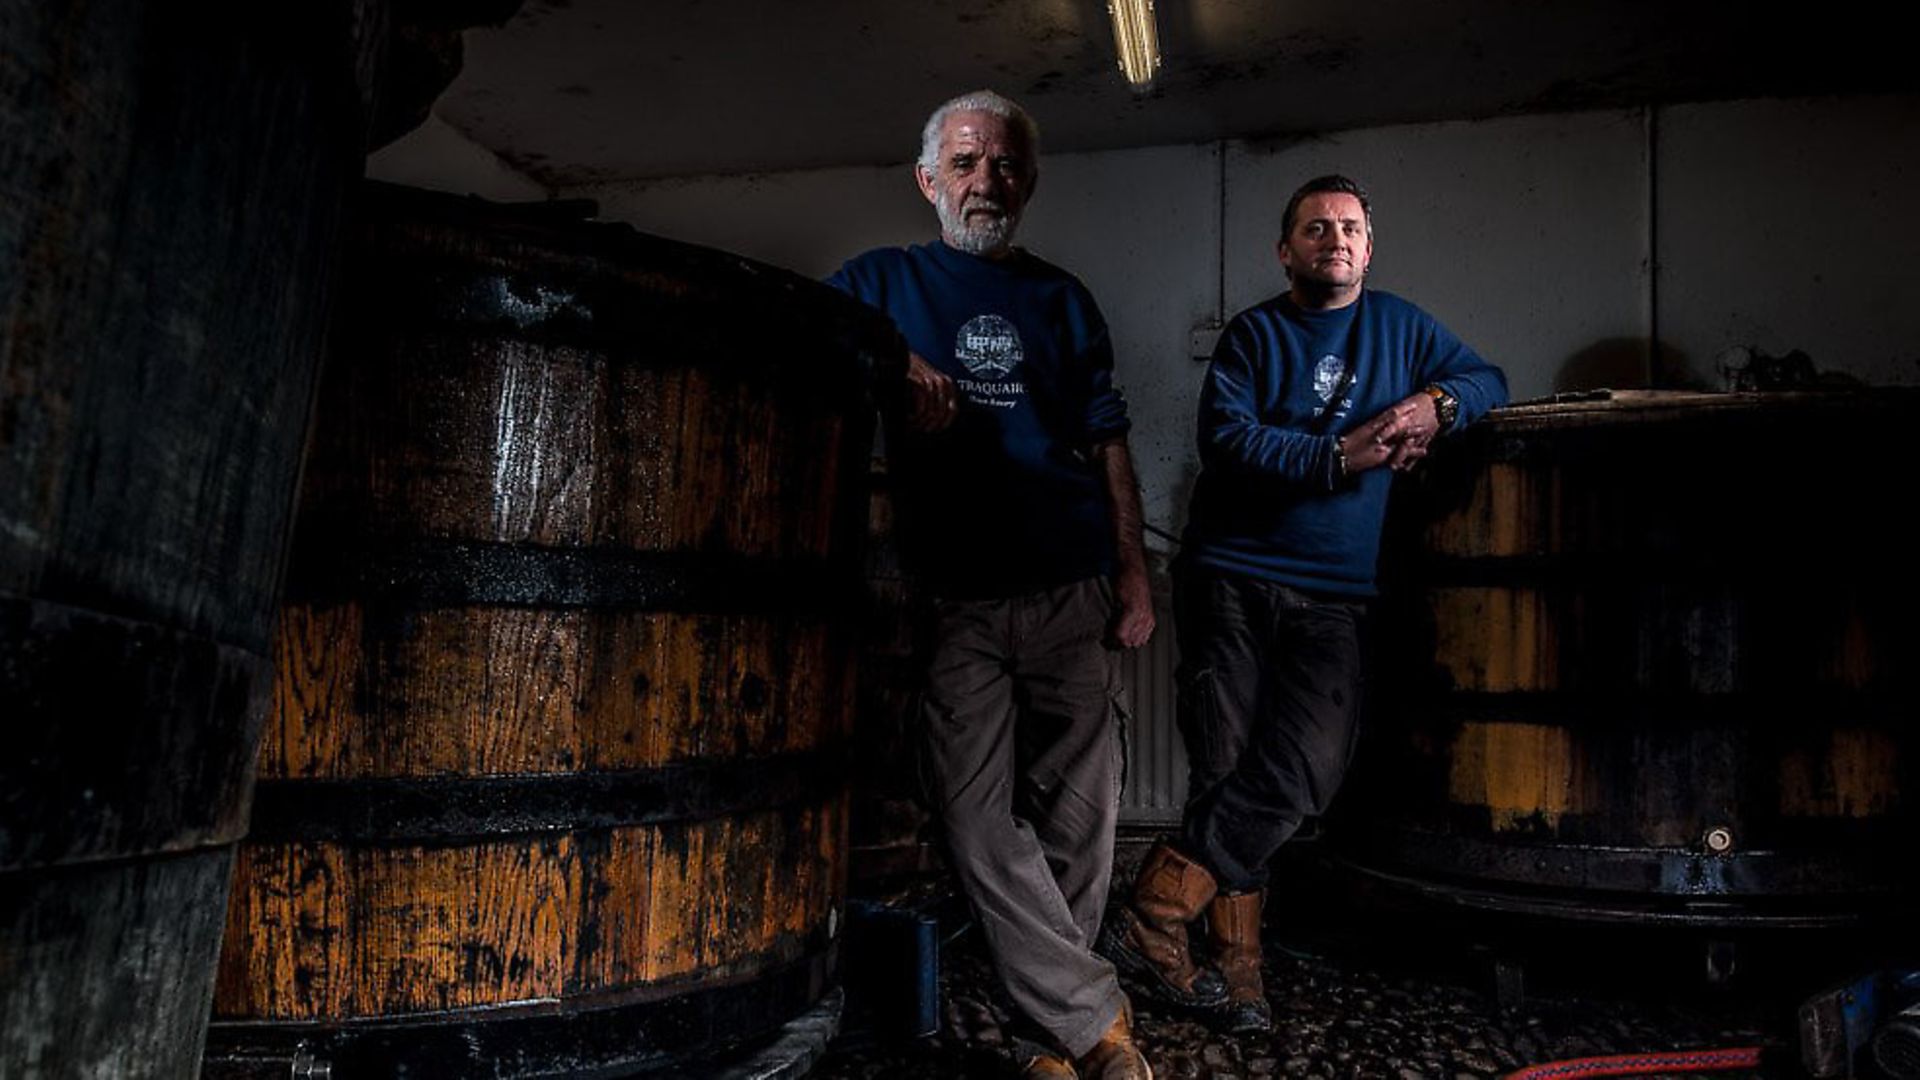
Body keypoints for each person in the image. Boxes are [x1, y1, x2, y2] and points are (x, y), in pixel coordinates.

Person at [1100, 174, 1508, 1034]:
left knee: (1305, 772)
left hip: (1336, 595)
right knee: (1225, 767)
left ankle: (1153, 910)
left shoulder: (1402, 327)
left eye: (1351, 228)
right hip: (1232, 578)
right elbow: (1228, 440)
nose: (1336, 239)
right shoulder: (1254, 334)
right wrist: (1338, 457)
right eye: (1316, 228)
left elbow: (1489, 379)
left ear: (1370, 245)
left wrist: (1438, 404)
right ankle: (1237, 968)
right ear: (1286, 250)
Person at [828, 90, 1155, 1080]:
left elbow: (1108, 446)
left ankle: (1041, 1037)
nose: (986, 182)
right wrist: (895, 358)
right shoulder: (879, 281)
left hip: (1071, 583)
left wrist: (1135, 578)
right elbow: (808, 341)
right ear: (930, 182)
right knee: (976, 820)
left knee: (1082, 815)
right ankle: (1094, 1022)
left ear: (1029, 181)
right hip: (954, 597)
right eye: (965, 165)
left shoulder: (1062, 299)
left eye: (1005, 165)